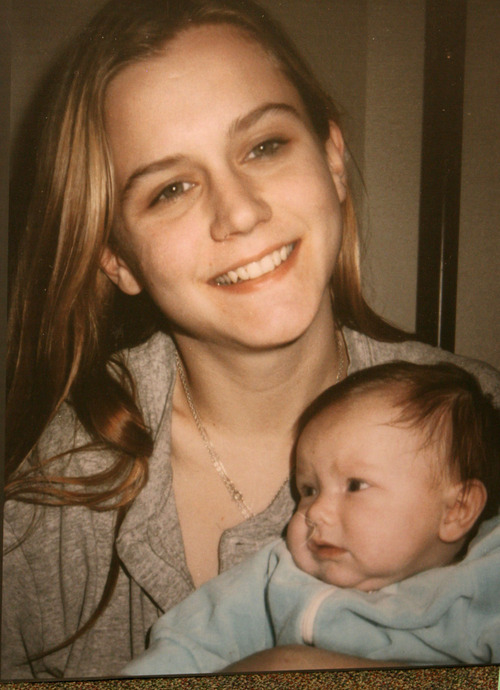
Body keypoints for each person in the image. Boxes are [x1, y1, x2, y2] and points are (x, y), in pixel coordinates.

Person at [3, 0, 499, 680]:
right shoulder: (48, 498)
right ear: (115, 258)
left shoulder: (486, 418)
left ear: (332, 160)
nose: (239, 212)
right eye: (171, 188)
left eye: (264, 146)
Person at [122, 361, 500, 676]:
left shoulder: (486, 580)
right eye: (308, 490)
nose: (314, 512)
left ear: (457, 510)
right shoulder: (278, 578)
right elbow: (189, 645)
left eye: (355, 485)